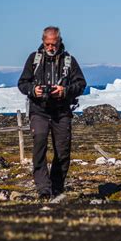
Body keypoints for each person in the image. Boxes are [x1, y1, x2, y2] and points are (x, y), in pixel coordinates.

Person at [18, 26, 86, 199]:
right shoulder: (34, 59)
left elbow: (81, 84)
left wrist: (64, 91)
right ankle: (43, 189)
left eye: (53, 44)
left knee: (63, 150)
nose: (50, 48)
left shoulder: (69, 61)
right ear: (43, 42)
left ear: (59, 42)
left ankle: (56, 187)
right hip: (39, 110)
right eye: (47, 44)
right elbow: (22, 83)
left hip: (62, 111)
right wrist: (34, 90)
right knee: (39, 142)